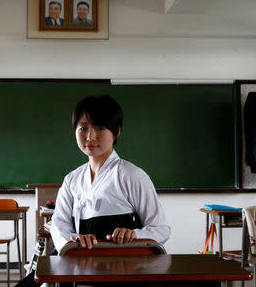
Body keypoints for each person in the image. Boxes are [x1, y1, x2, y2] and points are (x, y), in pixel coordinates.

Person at [15, 95, 170, 287]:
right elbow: (59, 224)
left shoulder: (132, 176)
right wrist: (72, 240)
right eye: (83, 128)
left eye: (100, 128)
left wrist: (134, 236)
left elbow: (161, 229)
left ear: (117, 131)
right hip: (79, 266)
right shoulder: (72, 179)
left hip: (124, 271)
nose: (90, 136)